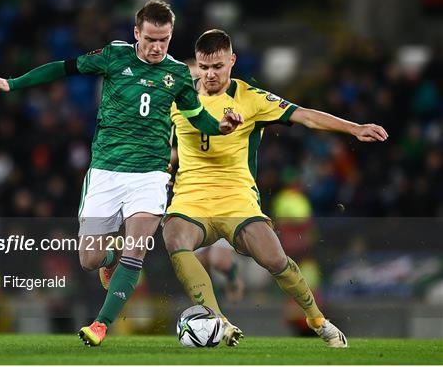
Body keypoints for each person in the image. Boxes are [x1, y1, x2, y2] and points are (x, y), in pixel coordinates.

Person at [0, 1, 243, 347]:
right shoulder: (114, 56)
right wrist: (14, 83)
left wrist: (220, 126)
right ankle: (110, 258)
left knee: (137, 249)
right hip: (106, 172)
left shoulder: (177, 74)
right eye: (150, 39)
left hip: (150, 176)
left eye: (164, 40)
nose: (157, 47)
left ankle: (100, 324)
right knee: (89, 259)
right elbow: (64, 68)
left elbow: (197, 117)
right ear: (136, 33)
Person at [163, 29, 388, 347]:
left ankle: (318, 319)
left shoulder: (252, 98)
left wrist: (355, 128)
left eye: (218, 67)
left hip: (237, 200)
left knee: (276, 261)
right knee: (175, 238)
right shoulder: (177, 94)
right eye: (204, 67)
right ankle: (219, 322)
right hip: (190, 197)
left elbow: (306, 116)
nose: (211, 74)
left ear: (232, 61)